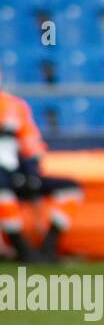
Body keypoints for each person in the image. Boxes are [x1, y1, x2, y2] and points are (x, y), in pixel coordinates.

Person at [0, 66, 81, 263]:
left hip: (16, 172)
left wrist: (32, 172)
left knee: (71, 188)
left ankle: (49, 245)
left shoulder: (14, 106)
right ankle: (20, 246)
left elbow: (31, 143)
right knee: (2, 191)